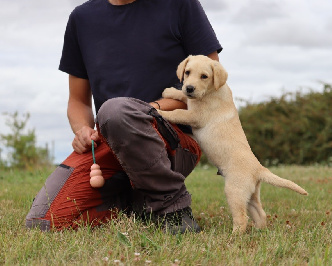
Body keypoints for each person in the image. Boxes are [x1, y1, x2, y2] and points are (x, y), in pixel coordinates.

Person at [25, 0, 222, 234]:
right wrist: (83, 129)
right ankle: (137, 202)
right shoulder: (82, 18)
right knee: (44, 220)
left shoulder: (181, 5)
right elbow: (77, 100)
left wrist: (145, 111)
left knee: (116, 112)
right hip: (111, 138)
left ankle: (173, 208)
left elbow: (210, 86)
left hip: (174, 138)